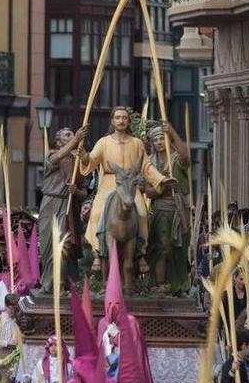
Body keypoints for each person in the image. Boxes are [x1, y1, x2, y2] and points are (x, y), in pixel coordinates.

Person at [77, 106, 176, 273]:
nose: (121, 120)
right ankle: (97, 253)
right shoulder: (104, 142)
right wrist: (83, 155)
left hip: (130, 183)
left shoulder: (136, 143)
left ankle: (140, 253)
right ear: (112, 121)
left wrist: (162, 179)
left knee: (142, 213)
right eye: (117, 117)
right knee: (96, 213)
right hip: (110, 181)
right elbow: (91, 161)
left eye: (124, 117)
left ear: (128, 121)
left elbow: (146, 166)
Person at [37, 125, 89, 293]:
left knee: (62, 244)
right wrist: (76, 139)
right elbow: (56, 159)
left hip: (68, 206)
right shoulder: (52, 155)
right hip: (51, 203)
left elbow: (84, 192)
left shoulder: (78, 162)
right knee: (47, 246)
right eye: (68, 135)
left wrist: (77, 191)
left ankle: (60, 284)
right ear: (59, 141)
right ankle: (48, 283)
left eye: (73, 134)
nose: (72, 135)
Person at [144, 122, 191, 295]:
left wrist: (172, 131)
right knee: (162, 247)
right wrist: (161, 187)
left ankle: (179, 285)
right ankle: (160, 283)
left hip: (179, 209)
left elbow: (185, 157)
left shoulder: (176, 159)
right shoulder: (149, 164)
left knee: (179, 248)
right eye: (155, 139)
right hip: (161, 209)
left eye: (162, 138)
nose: (159, 142)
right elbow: (146, 190)